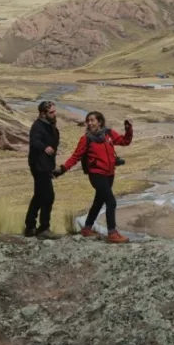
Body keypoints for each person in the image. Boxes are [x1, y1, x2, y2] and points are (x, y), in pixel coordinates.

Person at [58, 111, 133, 244]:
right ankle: (112, 233)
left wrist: (128, 129)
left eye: (92, 120)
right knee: (111, 202)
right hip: (96, 174)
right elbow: (76, 156)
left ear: (100, 122)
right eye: (88, 121)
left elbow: (125, 141)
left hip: (110, 174)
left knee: (99, 201)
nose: (90, 123)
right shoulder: (86, 139)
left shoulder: (108, 134)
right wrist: (63, 168)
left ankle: (87, 228)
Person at [24, 100, 63, 239]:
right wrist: (44, 147)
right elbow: (35, 141)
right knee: (48, 196)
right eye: (51, 112)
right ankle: (43, 228)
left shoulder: (49, 125)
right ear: (43, 113)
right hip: (39, 166)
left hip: (45, 166)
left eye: (54, 111)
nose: (54, 114)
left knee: (39, 196)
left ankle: (30, 226)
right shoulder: (38, 126)